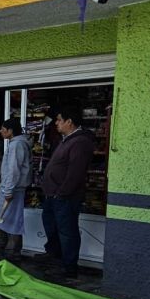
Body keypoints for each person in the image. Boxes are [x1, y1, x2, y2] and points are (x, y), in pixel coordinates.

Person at [40, 107, 94, 279]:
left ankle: (69, 267)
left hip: (64, 197)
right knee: (53, 228)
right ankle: (56, 260)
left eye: (58, 119)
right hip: (53, 195)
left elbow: (75, 173)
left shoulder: (80, 142)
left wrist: (62, 193)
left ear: (69, 121)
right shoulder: (66, 140)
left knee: (67, 231)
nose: (56, 123)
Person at [0, 118, 32, 262]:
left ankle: (13, 251)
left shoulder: (17, 145)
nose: (1, 131)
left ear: (10, 131)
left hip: (13, 189)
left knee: (13, 219)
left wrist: (8, 190)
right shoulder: (15, 143)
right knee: (3, 217)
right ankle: (5, 246)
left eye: (3, 129)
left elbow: (13, 170)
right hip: (9, 187)